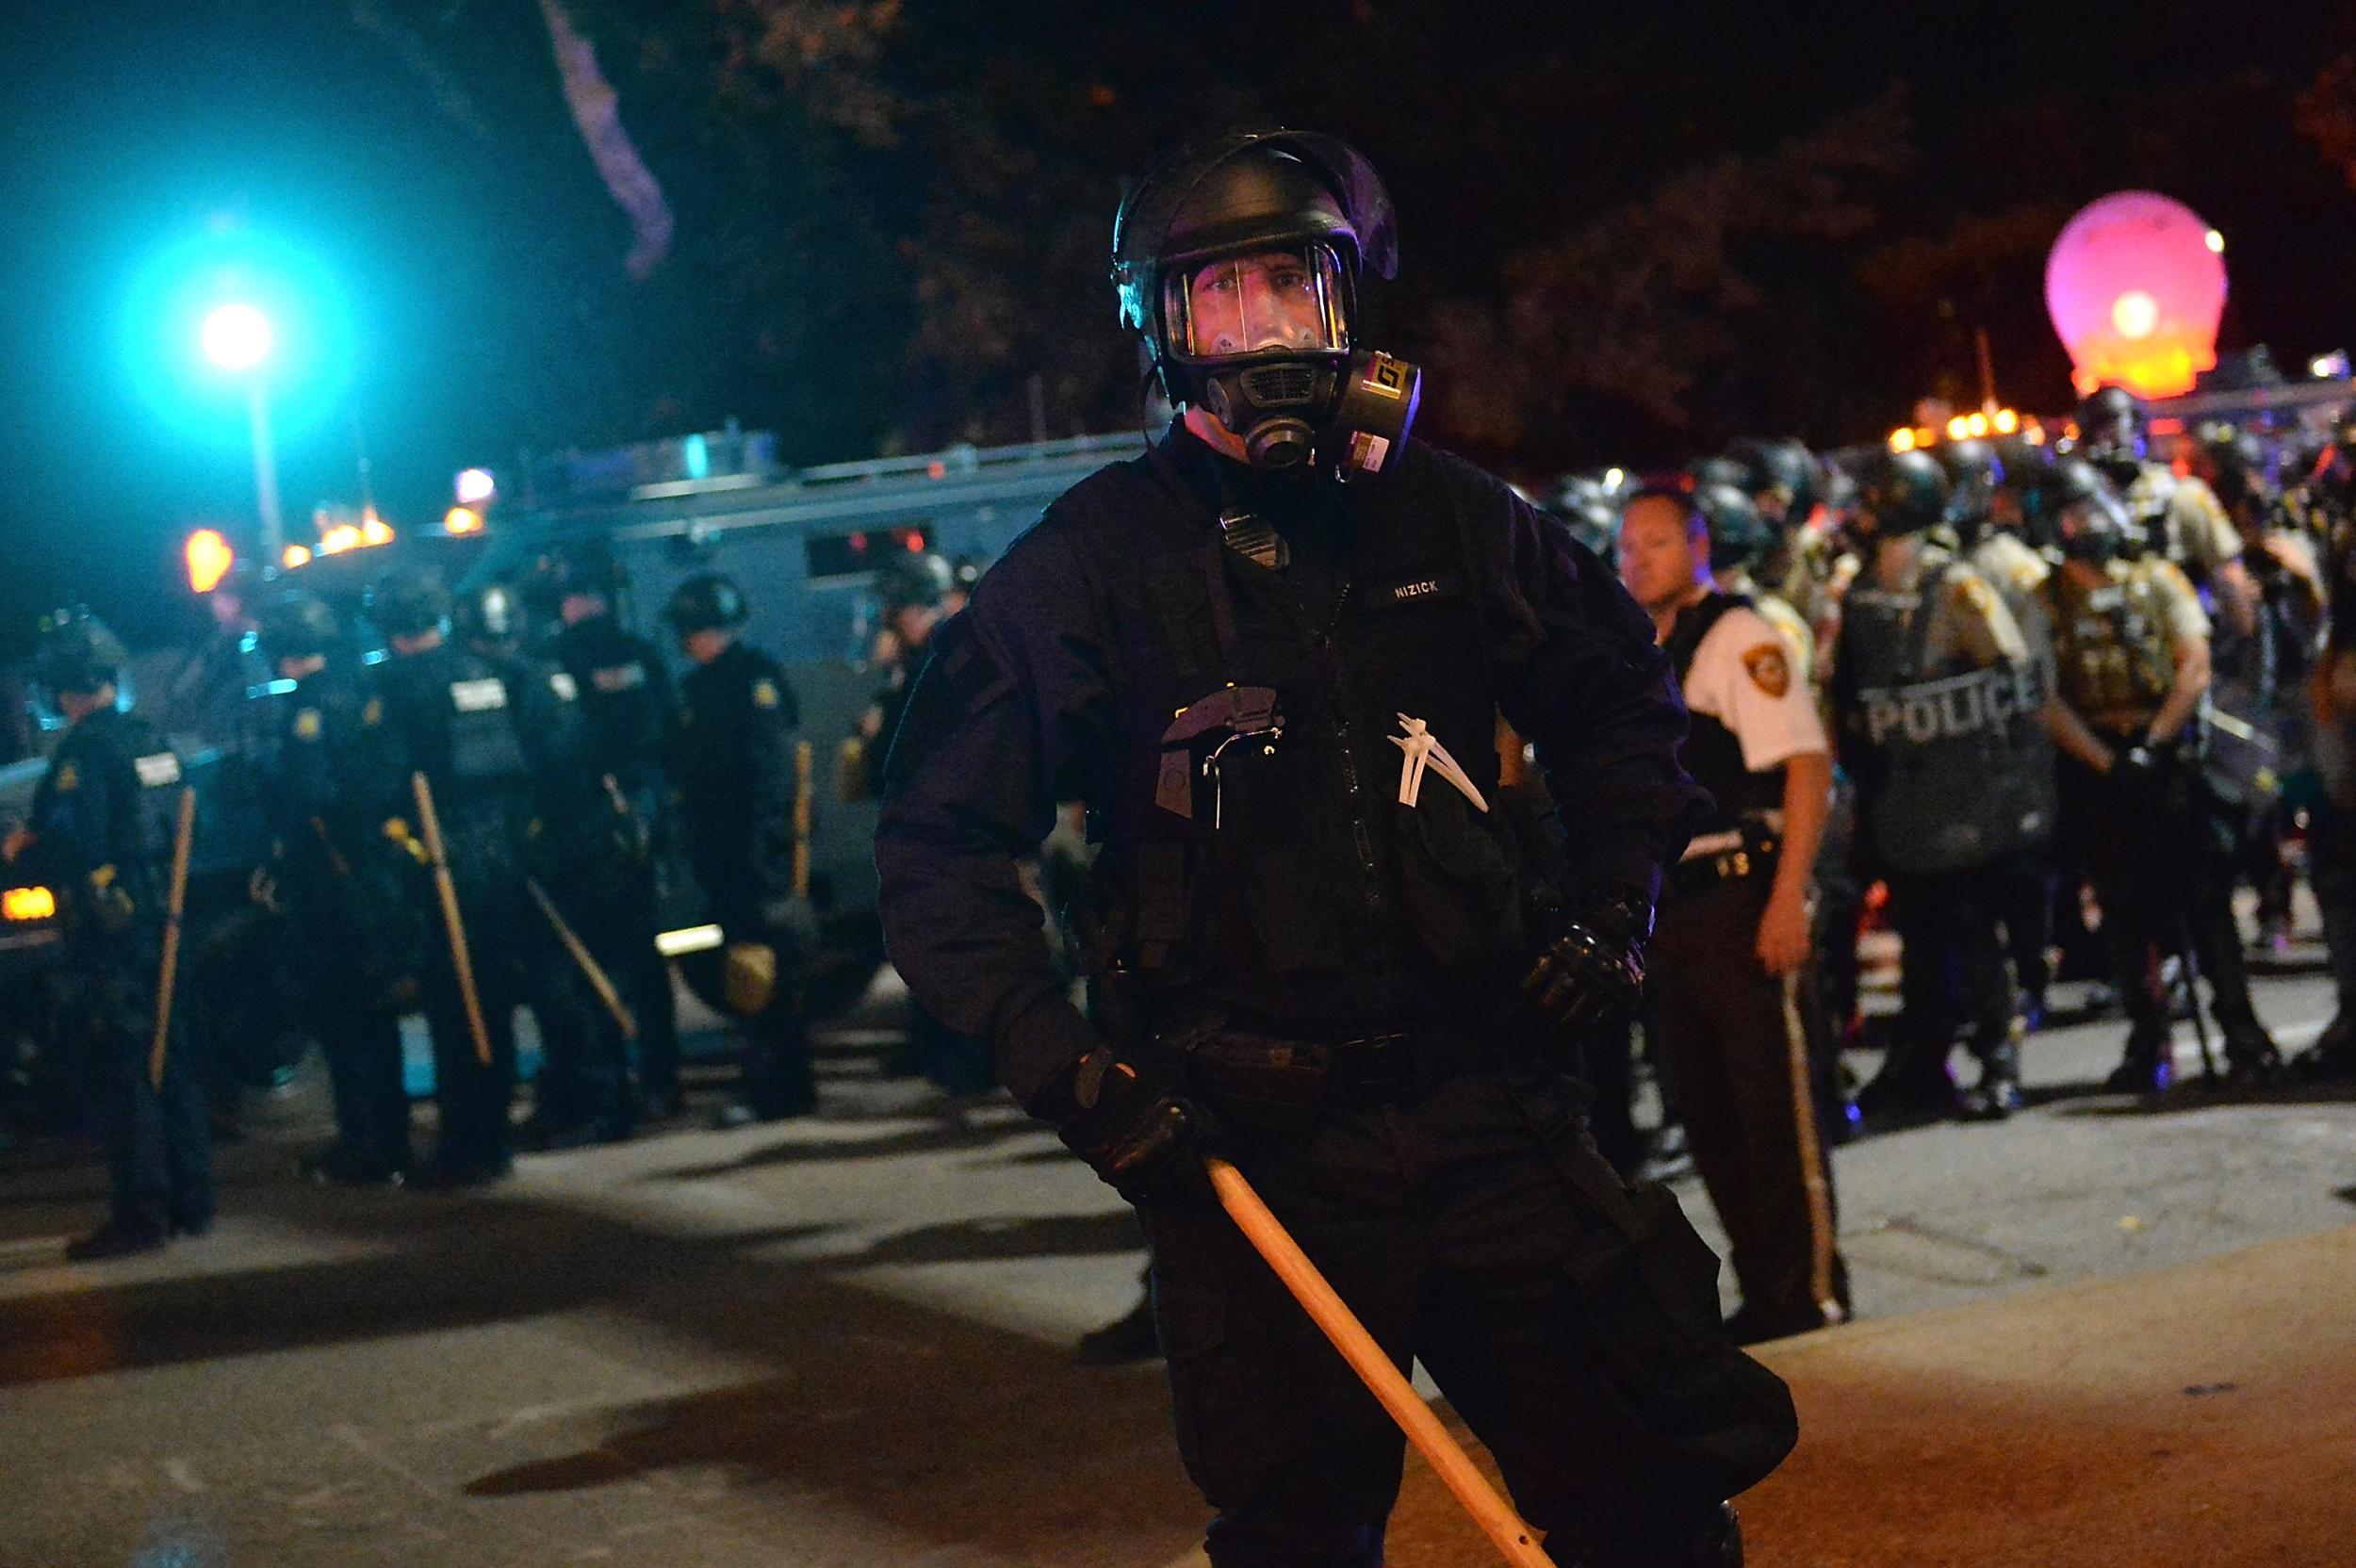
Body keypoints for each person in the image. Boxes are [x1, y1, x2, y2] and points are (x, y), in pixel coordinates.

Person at [876, 127, 1792, 1568]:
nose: (1258, 334)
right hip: (1255, 1157)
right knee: (1299, 1543)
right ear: (1159, 329)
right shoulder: (1090, 566)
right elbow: (935, 843)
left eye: (1287, 289)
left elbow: (1624, 706)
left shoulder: (1452, 518)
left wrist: (1616, 906)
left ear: (1350, 302)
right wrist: (1066, 1068)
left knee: (1652, 1513)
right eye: (1216, 299)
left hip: (1496, 1107)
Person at [1618, 485, 1848, 1344]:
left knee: (1769, 1110)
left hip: (1743, 897)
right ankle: (1764, 1287)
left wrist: (1788, 898)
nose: (1637, 561)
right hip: (1673, 911)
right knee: (1708, 1115)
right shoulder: (1649, 649)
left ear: (1700, 546)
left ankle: (1808, 1288)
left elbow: (1806, 765)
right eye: (1627, 548)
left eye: (1656, 544)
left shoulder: (1740, 637)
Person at [2036, 458, 2284, 1090]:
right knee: (2123, 907)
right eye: (2072, 516)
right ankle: (2149, 1038)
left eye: (2091, 511)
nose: (2085, 526)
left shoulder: (2155, 578)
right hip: (2097, 762)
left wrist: (2152, 743)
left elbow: (2193, 663)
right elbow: (2043, 695)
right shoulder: (2044, 598)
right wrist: (2107, 760)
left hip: (2166, 754)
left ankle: (2241, 1032)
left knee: (2205, 899)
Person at [1831, 449, 2050, 1122]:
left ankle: (1997, 1059)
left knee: (1975, 930)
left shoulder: (1956, 585)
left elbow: (2014, 675)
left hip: (1962, 791)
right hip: (1899, 792)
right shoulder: (1861, 590)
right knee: (1920, 936)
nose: (1857, 517)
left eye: (1870, 504)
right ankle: (1922, 1063)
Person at [4, 612, 212, 1257]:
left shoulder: (83, 754)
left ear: (60, 690)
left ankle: (140, 1213)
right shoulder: (150, 739)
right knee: (169, 1061)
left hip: (109, 934)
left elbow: (72, 847)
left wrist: (21, 851)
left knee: (121, 1074)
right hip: (161, 921)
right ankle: (190, 1200)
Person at [251, 589, 419, 1184]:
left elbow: (307, 799)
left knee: (345, 1019)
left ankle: (367, 1145)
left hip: (330, 886)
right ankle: (384, 1139)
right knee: (372, 1017)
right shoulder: (361, 694)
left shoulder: (307, 713)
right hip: (370, 879)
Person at [370, 568, 533, 1185]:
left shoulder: (403, 687)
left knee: (453, 1003)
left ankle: (467, 1148)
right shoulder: (480, 675)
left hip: (440, 859)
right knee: (489, 1000)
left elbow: (382, 780)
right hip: (497, 853)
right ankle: (495, 1137)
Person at [664, 572, 820, 1125]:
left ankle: (777, 1090)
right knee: (744, 973)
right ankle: (773, 1084)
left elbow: (771, 777)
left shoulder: (752, 682)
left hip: (756, 859)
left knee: (766, 975)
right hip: (724, 856)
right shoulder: (703, 685)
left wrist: (762, 853)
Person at [537, 542, 684, 1121]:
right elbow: (670, 729)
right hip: (640, 823)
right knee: (644, 959)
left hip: (583, 826)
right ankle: (661, 1079)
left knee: (588, 962)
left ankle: (605, 1086)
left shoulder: (554, 659)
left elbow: (552, 751)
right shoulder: (641, 653)